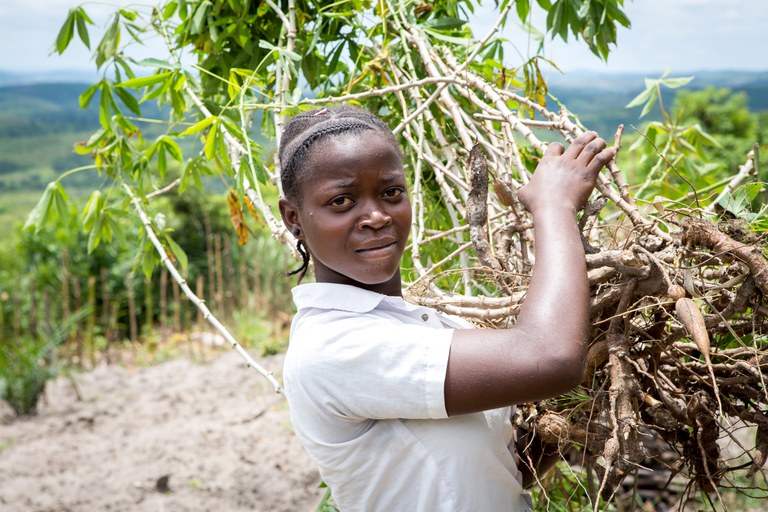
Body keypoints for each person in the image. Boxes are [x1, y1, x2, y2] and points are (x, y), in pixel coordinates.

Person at [277, 105, 616, 511]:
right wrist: (554, 206)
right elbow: (551, 356)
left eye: (390, 193)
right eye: (342, 200)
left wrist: (575, 407)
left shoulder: (435, 327)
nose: (376, 216)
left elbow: (497, 470)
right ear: (293, 216)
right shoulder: (333, 347)